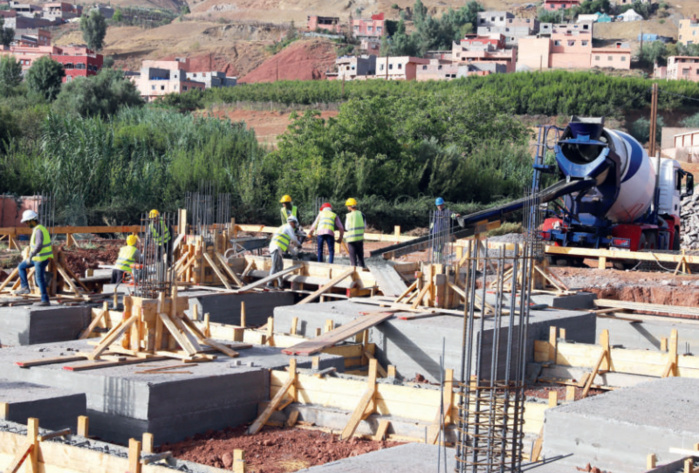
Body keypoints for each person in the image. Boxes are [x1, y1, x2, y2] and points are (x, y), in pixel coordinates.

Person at [14, 210, 53, 306]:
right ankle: (25, 287)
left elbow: (39, 245)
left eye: (27, 222)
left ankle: (45, 300)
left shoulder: (39, 230)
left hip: (42, 258)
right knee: (21, 267)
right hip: (37, 258)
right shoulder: (36, 229)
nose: (26, 224)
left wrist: (31, 255)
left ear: (32, 220)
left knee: (39, 278)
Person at [268, 216, 301, 287]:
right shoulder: (289, 227)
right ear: (292, 222)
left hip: (277, 248)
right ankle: (269, 283)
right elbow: (294, 239)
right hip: (276, 248)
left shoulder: (284, 229)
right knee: (275, 266)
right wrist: (299, 244)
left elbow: (288, 246)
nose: (295, 225)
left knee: (280, 267)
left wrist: (295, 253)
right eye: (295, 223)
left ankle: (281, 285)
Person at [430, 197, 461, 261]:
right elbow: (432, 223)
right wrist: (430, 232)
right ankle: (437, 260)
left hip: (443, 233)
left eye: (441, 205)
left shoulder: (447, 212)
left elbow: (452, 215)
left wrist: (455, 215)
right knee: (435, 248)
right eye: (438, 205)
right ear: (436, 206)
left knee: (440, 248)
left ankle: (439, 261)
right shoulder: (435, 213)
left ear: (443, 204)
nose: (440, 206)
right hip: (435, 232)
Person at [344, 198, 366, 268]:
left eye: (348, 206)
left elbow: (346, 227)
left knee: (353, 257)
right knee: (360, 256)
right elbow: (365, 225)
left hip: (351, 239)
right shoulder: (361, 214)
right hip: (359, 238)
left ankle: (354, 270)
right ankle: (362, 268)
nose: (347, 207)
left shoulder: (349, 216)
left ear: (350, 206)